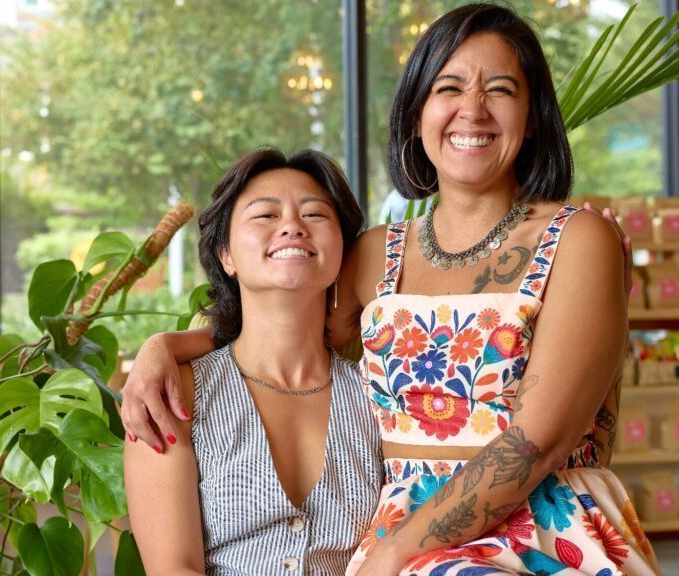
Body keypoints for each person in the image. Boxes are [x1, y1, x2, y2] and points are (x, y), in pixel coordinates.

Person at [122, 4, 660, 575]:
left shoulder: (577, 238)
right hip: (403, 538)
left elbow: (541, 441)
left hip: (536, 529)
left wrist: (396, 555)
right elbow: (283, 328)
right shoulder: (374, 254)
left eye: (500, 89)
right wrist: (166, 346)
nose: (472, 110)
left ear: (532, 117)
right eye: (448, 87)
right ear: (416, 114)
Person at [124, 148, 383, 574]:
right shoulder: (172, 394)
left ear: (341, 254)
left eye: (315, 215)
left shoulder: (379, 394)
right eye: (265, 215)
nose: (292, 227)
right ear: (226, 255)